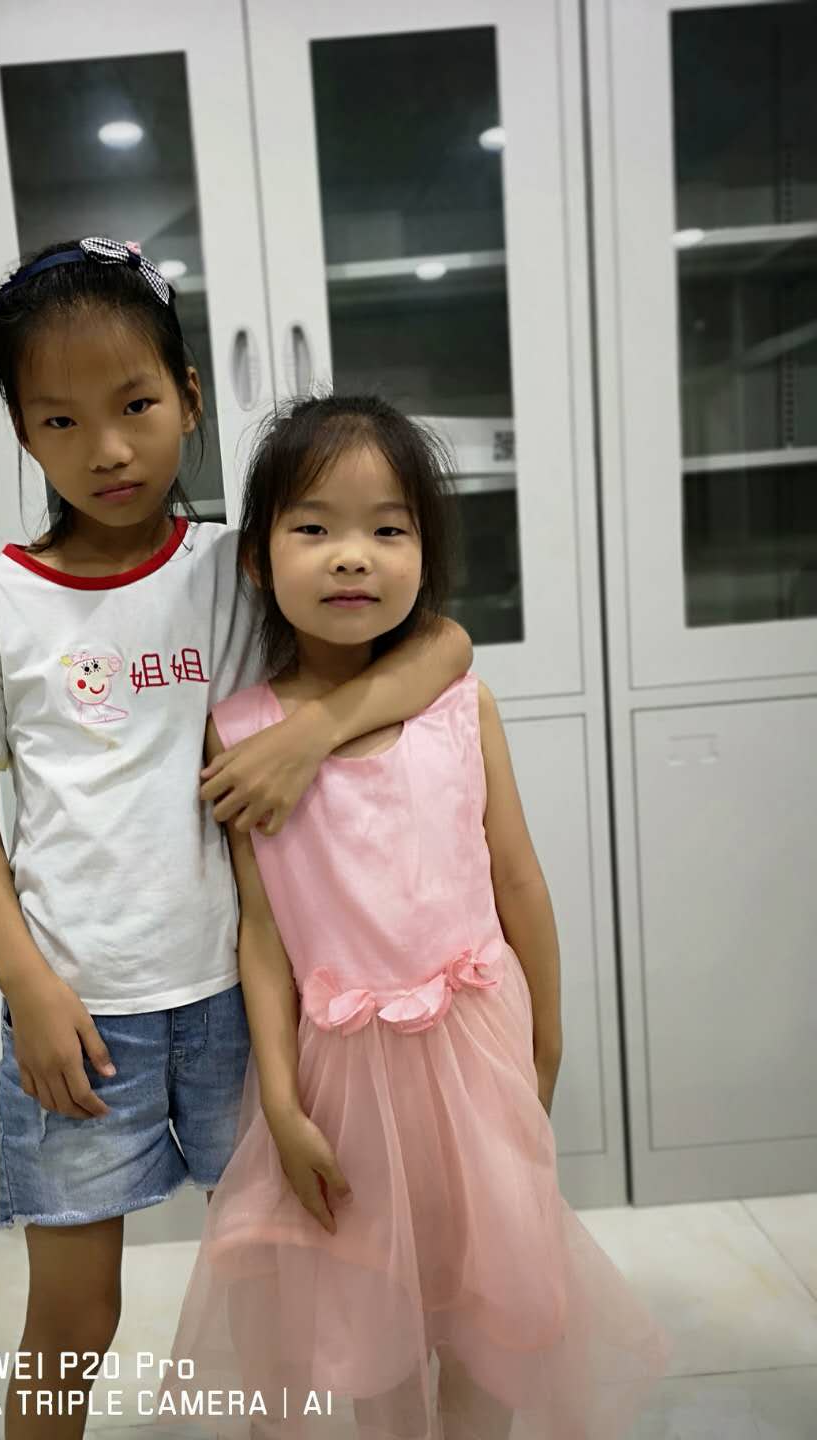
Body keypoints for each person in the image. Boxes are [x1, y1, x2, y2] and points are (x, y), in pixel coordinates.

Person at [0, 240, 473, 1439]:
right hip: (79, 1019)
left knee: (281, 1295)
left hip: (241, 1001)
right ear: (21, 430)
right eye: (61, 420)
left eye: (136, 405)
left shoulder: (236, 567)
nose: (107, 449)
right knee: (74, 1318)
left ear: (190, 397)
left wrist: (313, 732)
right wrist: (27, 986)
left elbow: (443, 646)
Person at [167, 395, 669, 1440]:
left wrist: (547, 1032)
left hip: (476, 1051)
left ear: (423, 553)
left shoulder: (458, 702)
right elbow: (263, 936)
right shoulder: (240, 734)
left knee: (495, 1302)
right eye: (315, 527)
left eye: (387, 529)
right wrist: (280, 1099)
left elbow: (518, 880)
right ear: (257, 559)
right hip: (344, 1084)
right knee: (374, 1320)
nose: (353, 556)